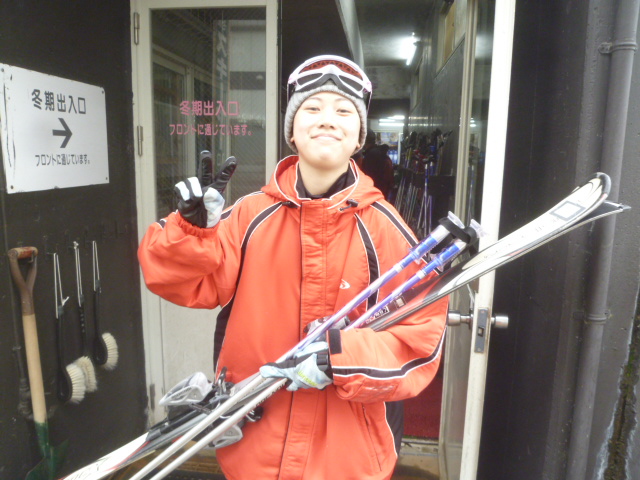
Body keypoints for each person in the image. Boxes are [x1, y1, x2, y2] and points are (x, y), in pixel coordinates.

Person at [138, 55, 448, 480]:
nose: (327, 120)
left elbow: (420, 341)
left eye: (343, 111)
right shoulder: (249, 216)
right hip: (255, 450)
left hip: (349, 459)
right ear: (292, 129)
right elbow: (183, 282)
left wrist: (341, 357)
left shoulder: (385, 228)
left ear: (359, 135)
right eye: (312, 108)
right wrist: (191, 233)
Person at [360, 134, 395, 200]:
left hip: (375, 189)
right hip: (382, 189)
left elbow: (369, 175)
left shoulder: (371, 155)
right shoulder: (379, 152)